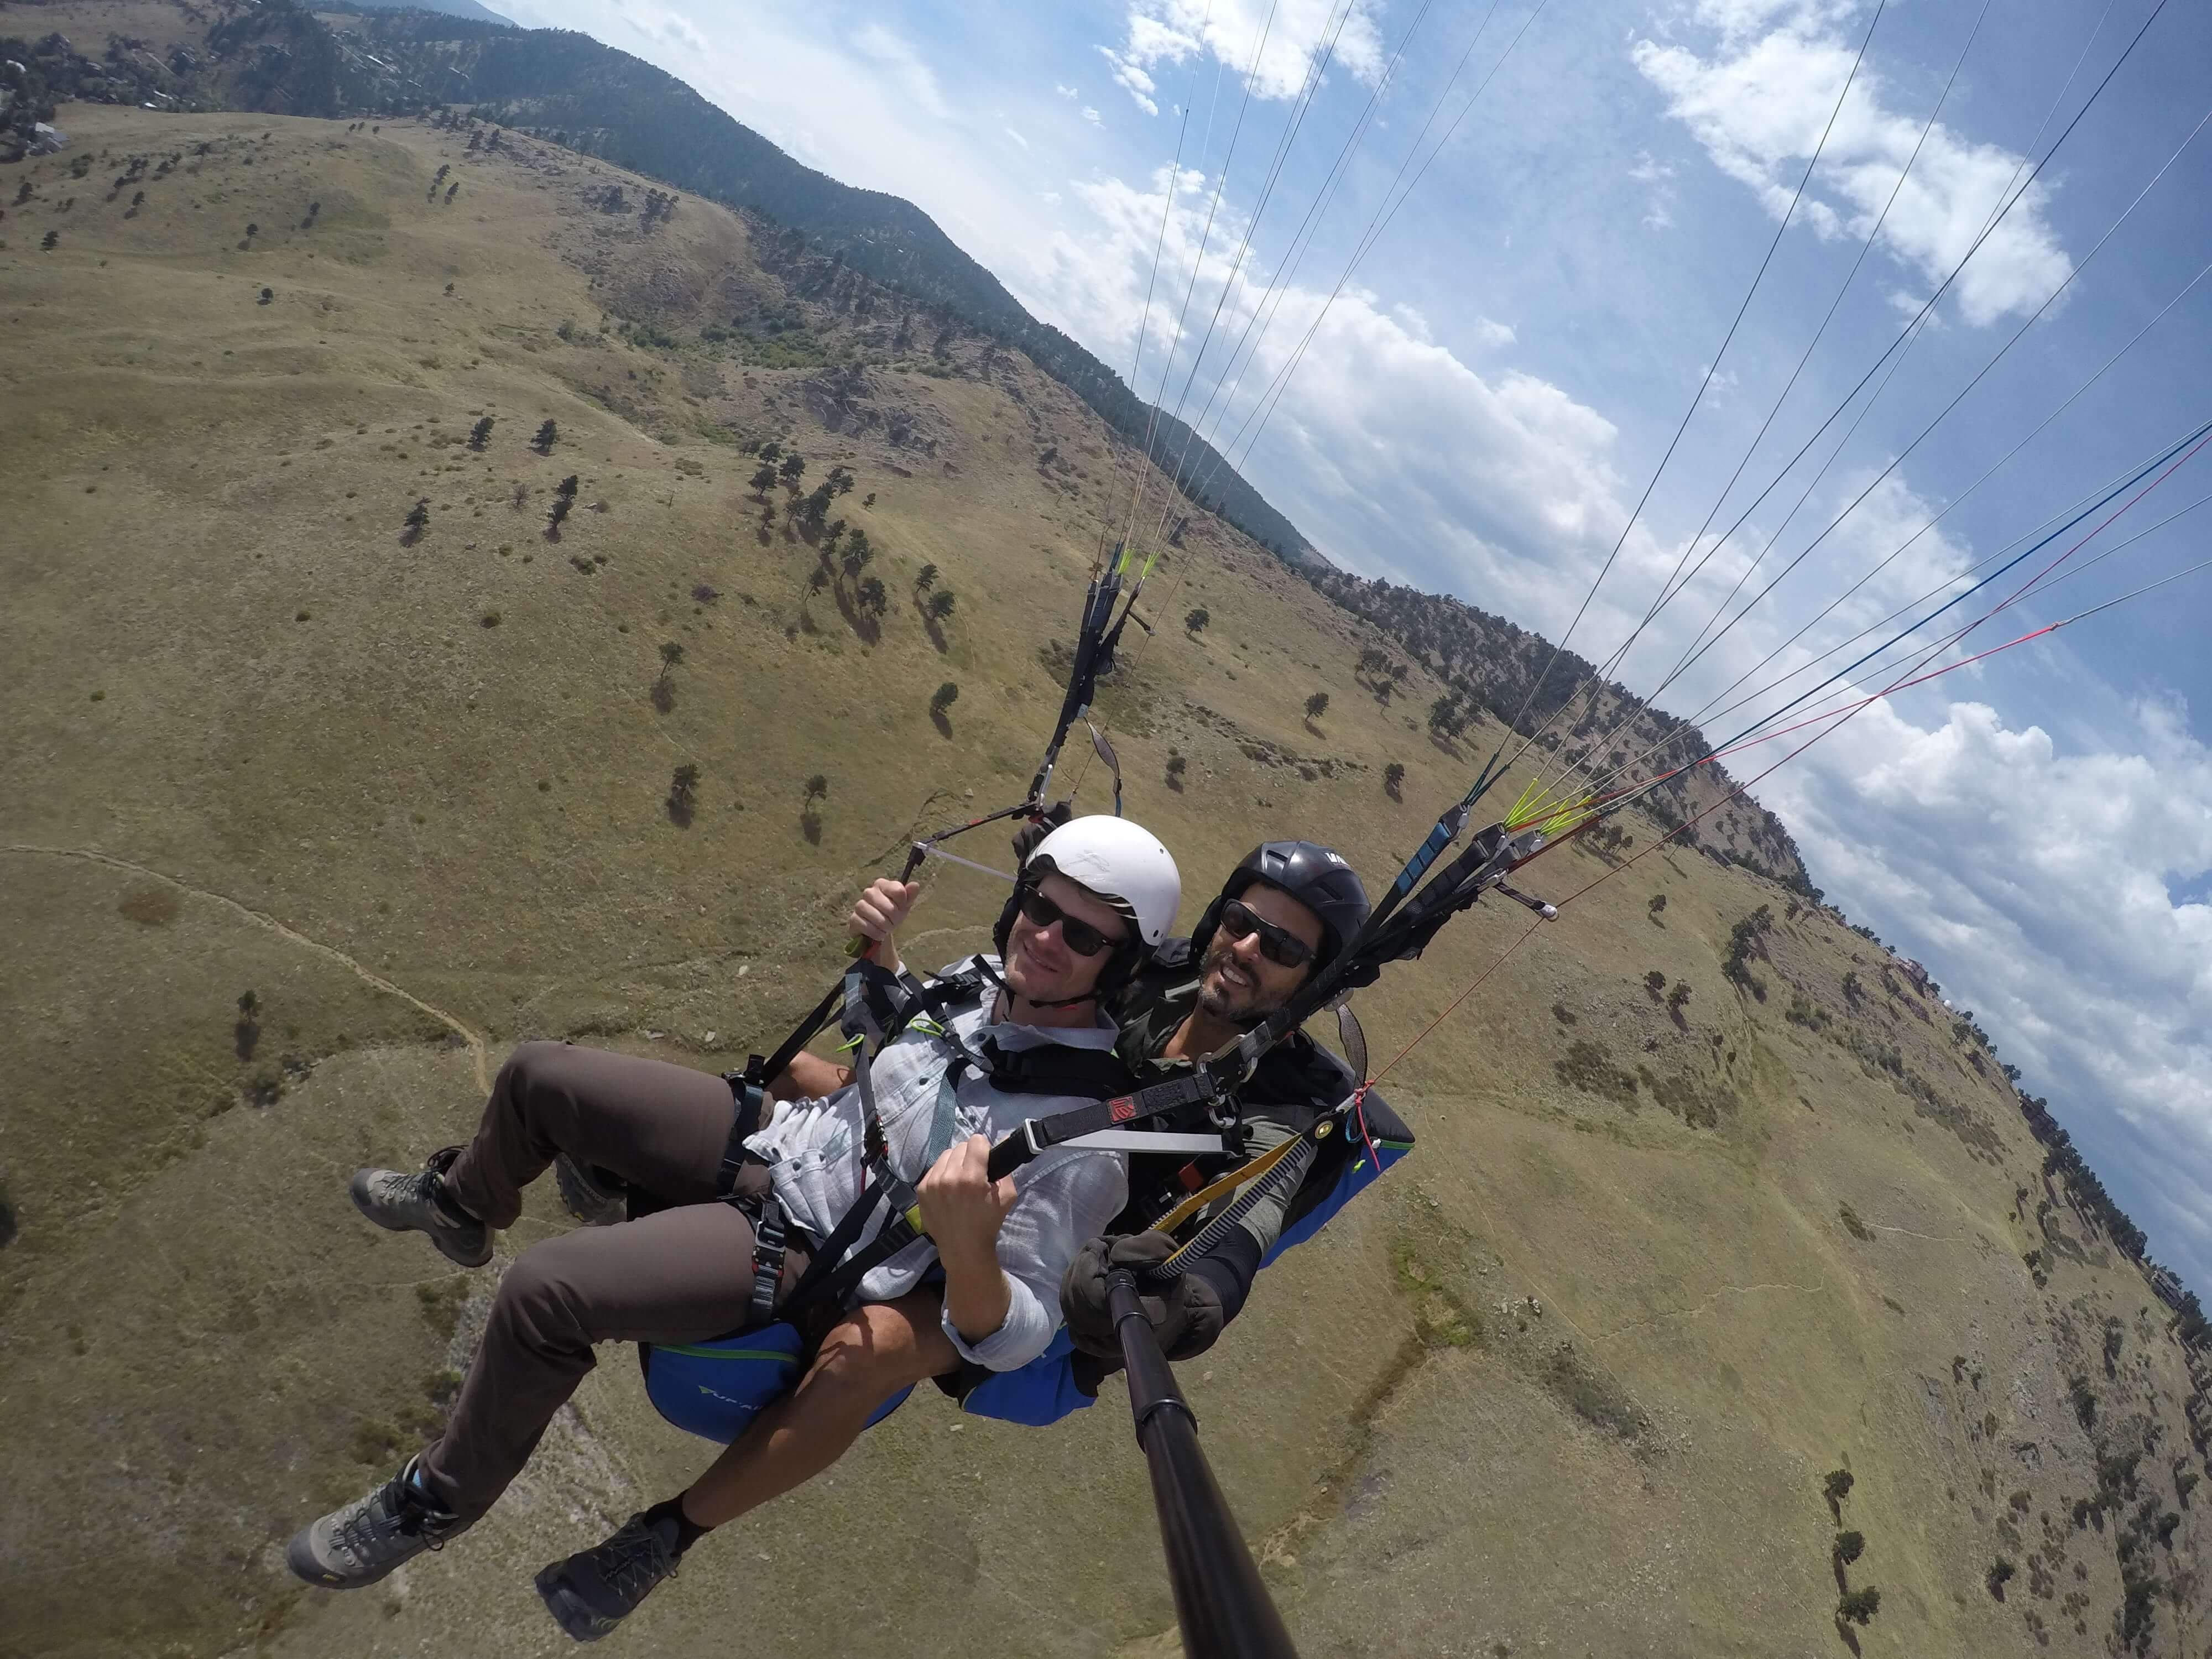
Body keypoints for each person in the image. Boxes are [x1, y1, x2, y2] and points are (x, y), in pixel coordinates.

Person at [284, 816, 1181, 1630]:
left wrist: (969, 1246)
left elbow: (1018, 1334)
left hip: (810, 1245)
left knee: (543, 1292)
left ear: (1121, 964)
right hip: (781, 1143)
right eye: (1039, 905)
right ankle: (463, 1206)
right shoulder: (975, 985)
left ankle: (435, 1500)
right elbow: (891, 1058)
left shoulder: (1085, 1137)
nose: (1046, 936)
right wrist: (878, 957)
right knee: (538, 1076)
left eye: (1083, 934)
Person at [528, 841, 1407, 1642]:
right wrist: (892, 970)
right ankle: (633, 1192)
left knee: (864, 1349)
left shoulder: (1286, 1117)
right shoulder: (1155, 971)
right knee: (794, 1078)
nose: (1248, 950)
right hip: (981, 1149)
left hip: (1043, 1277)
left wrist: (1177, 1302)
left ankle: (667, 1535)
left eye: (1283, 949)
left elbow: (1231, 1252)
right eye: (1242, 924)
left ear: (1314, 980)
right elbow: (1021, 983)